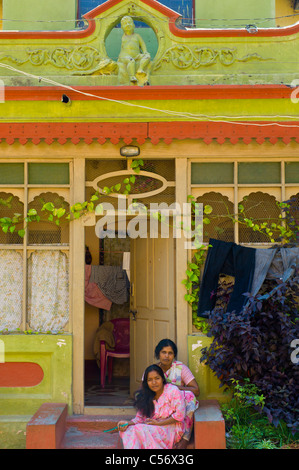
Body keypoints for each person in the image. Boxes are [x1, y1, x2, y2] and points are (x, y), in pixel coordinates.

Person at [117, 364, 186, 449]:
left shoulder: (173, 391)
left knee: (140, 429)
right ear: (146, 382)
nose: (154, 383)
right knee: (128, 431)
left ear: (162, 379)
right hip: (152, 427)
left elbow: (180, 415)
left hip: (171, 427)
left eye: (157, 378)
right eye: (150, 380)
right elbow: (140, 419)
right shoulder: (145, 395)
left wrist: (158, 423)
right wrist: (127, 423)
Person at [154, 338, 200, 449]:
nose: (166, 356)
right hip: (161, 408)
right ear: (158, 354)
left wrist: (174, 387)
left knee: (189, 397)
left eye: (170, 353)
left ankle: (185, 439)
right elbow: (143, 391)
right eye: (163, 352)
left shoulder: (180, 368)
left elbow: (196, 390)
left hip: (178, 407)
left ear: (174, 355)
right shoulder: (153, 370)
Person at [117, 15, 151, 85]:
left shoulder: (137, 36)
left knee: (147, 56)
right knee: (131, 61)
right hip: (125, 56)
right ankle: (131, 76)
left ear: (134, 25)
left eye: (129, 23)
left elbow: (142, 45)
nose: (128, 24)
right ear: (122, 27)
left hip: (136, 55)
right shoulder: (124, 37)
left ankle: (140, 69)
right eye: (125, 23)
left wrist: (145, 52)